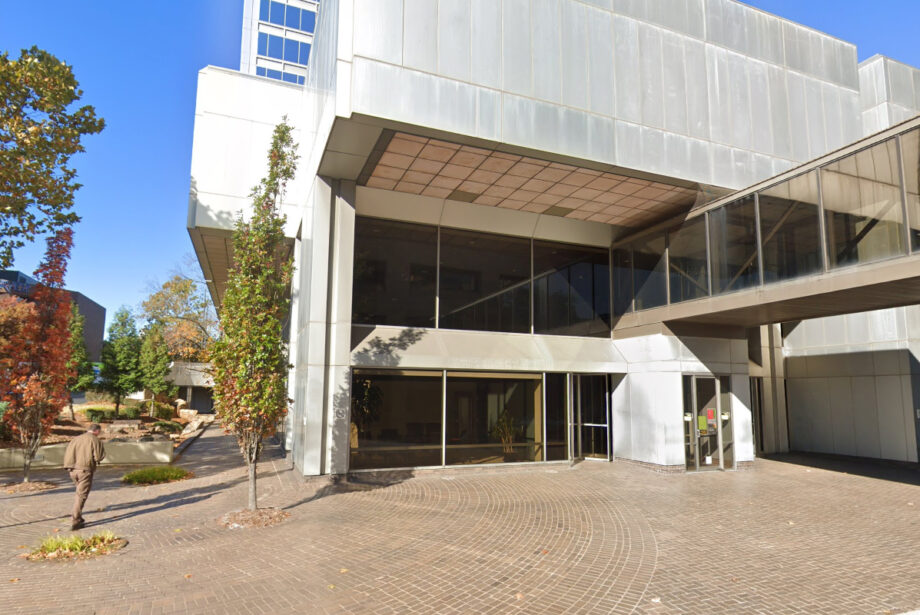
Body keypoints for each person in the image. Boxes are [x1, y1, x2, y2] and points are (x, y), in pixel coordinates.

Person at [63, 423, 106, 530]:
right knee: (81, 496)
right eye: (99, 432)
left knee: (79, 493)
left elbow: (68, 453)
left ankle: (79, 517)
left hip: (72, 470)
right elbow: (99, 457)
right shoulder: (94, 440)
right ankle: (75, 520)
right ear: (96, 431)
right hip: (85, 470)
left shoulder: (76, 439)